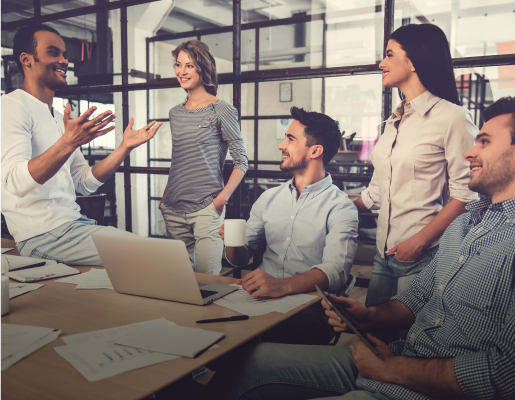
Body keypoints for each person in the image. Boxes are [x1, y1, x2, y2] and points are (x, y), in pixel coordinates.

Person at [200, 96, 515, 400]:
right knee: (247, 360)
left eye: (484, 141)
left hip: (409, 375)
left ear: (316, 150)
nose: (468, 153)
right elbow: (417, 298)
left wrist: (393, 368)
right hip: (396, 362)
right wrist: (370, 315)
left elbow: (503, 375)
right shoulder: (461, 226)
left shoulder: (340, 207)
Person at [0, 25, 163, 266]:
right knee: (163, 258)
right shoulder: (12, 106)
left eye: (65, 54)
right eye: (54, 53)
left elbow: (83, 183)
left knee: (170, 258)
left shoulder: (56, 117)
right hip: (44, 236)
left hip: (73, 225)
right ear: (27, 60)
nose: (64, 60)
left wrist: (123, 148)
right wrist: (67, 142)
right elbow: (13, 182)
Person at [353, 24, 478, 328]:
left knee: (406, 345)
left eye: (389, 54)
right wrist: (333, 207)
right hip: (384, 252)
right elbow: (376, 190)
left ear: (412, 61)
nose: (381, 63)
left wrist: (419, 242)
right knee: (372, 337)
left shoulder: (453, 118)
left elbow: (468, 194)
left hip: (423, 254)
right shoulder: (393, 122)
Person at [221, 106, 358, 345]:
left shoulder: (341, 207)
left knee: (260, 338)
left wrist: (281, 286)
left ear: (315, 150)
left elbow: (336, 271)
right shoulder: (268, 198)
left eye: (290, 139)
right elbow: (240, 259)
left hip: (309, 306)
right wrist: (233, 242)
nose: (281, 145)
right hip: (257, 298)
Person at [159, 40, 247, 275]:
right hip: (173, 208)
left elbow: (241, 161)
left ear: (203, 67)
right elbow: (179, 157)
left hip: (206, 209)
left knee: (208, 282)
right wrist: (165, 197)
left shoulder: (222, 109)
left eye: (189, 65)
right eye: (178, 65)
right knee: (180, 282)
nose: (182, 71)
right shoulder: (175, 113)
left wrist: (220, 200)